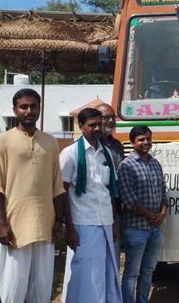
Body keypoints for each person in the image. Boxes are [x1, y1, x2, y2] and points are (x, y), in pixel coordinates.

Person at [0, 88, 69, 303]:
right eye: (24, 106)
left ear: (40, 109)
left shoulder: (50, 142)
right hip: (14, 223)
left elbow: (57, 187)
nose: (29, 111)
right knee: (14, 284)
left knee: (42, 285)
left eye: (33, 106)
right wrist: (2, 225)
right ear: (15, 110)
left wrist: (59, 221)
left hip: (45, 222)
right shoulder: (3, 141)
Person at [60, 108, 123, 303]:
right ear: (81, 127)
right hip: (83, 225)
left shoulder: (106, 153)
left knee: (106, 272)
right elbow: (62, 193)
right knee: (86, 275)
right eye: (92, 125)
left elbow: (110, 190)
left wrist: (114, 222)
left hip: (105, 222)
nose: (97, 128)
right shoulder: (70, 154)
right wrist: (68, 228)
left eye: (99, 124)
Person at [118, 125, 168, 303]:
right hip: (135, 229)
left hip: (155, 229)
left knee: (148, 271)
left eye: (148, 138)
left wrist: (162, 213)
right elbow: (129, 199)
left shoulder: (155, 163)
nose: (146, 142)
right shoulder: (126, 166)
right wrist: (151, 216)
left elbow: (163, 191)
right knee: (132, 272)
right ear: (132, 142)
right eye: (141, 140)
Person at [96, 103, 125, 168]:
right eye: (106, 117)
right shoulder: (90, 144)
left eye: (113, 117)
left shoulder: (117, 144)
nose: (111, 120)